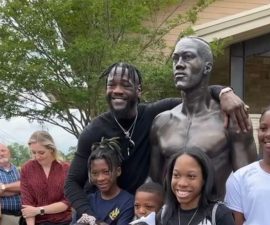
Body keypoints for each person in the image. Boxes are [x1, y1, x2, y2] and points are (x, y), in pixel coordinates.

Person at [64, 62, 251, 218]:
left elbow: (196, 95)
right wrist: (90, 217)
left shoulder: (155, 113)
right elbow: (72, 182)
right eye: (111, 85)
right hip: (100, 210)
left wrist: (224, 92)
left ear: (138, 91)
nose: (117, 90)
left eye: (125, 85)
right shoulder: (94, 130)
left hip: (141, 209)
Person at [150, 36, 257, 198]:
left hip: (213, 215)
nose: (179, 64)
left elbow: (248, 183)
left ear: (207, 67)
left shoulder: (230, 119)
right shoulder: (162, 122)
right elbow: (154, 182)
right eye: (175, 58)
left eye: (187, 57)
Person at [159, 147, 235, 225]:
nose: (182, 183)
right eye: (176, 175)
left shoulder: (219, 214)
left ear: (204, 179)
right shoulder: (164, 214)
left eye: (191, 176)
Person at [74, 137, 134, 225]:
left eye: (106, 172)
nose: (100, 178)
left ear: (118, 171)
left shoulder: (128, 202)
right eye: (94, 173)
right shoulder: (88, 200)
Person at [21, 131, 71, 225]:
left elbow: (67, 202)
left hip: (64, 221)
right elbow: (27, 204)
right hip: (36, 222)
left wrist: (38, 210)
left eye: (41, 152)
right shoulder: (26, 169)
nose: (37, 157)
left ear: (51, 149)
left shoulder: (66, 169)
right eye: (33, 152)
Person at [0, 143, 21, 225]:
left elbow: (26, 186)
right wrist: (19, 189)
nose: (1, 154)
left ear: (9, 153)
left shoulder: (19, 170)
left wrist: (3, 187)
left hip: (24, 215)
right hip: (4, 216)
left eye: (3, 151)